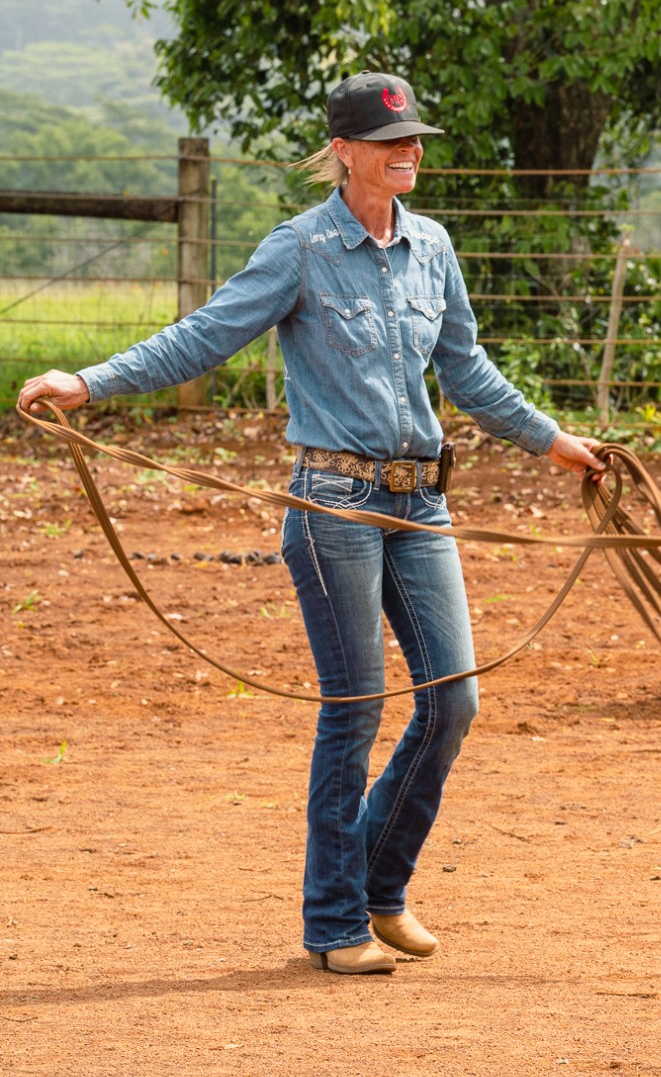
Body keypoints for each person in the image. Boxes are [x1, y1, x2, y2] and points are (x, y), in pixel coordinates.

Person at [16, 72, 607, 974]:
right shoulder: (298, 250)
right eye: (391, 140)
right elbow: (204, 336)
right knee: (355, 710)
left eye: (415, 138)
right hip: (332, 502)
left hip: (421, 500)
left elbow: (469, 371)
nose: (409, 151)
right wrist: (88, 382)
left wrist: (550, 440)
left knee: (454, 700)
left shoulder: (433, 248)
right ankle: (334, 923)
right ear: (344, 151)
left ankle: (378, 886)